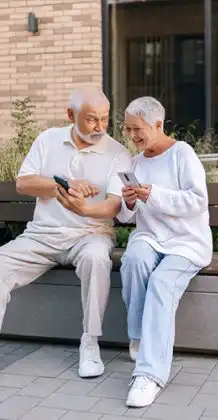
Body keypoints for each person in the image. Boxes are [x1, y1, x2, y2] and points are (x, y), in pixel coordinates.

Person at [0, 86, 132, 378]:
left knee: (98, 258)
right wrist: (65, 185)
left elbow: (112, 205)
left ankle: (90, 343)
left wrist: (83, 209)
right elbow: (24, 183)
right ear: (71, 115)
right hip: (42, 237)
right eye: (91, 119)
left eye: (104, 119)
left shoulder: (118, 153)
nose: (100, 127)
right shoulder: (48, 140)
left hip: (90, 234)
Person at [117, 96, 213, 408]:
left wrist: (152, 194)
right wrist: (131, 201)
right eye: (128, 129)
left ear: (158, 124)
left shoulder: (182, 154)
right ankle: (141, 336)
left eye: (137, 129)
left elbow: (197, 201)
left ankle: (150, 374)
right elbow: (127, 216)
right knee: (133, 259)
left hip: (186, 242)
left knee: (161, 283)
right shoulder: (137, 162)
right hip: (150, 237)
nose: (132, 136)